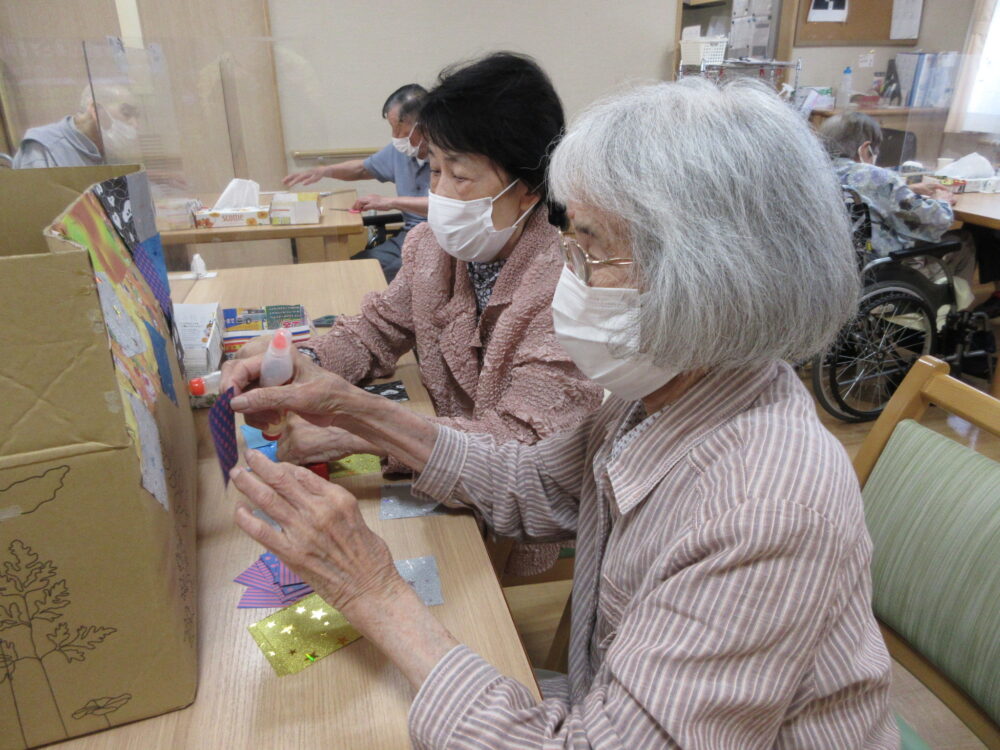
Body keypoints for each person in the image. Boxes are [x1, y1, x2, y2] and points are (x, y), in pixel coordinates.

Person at [224, 78, 898, 748]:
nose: (566, 276)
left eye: (590, 249)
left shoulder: (762, 506)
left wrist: (374, 591)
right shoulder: (667, 393)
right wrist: (349, 408)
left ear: (709, 277)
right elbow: (532, 483)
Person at [225, 53, 604, 576]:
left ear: (528, 191)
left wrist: (356, 429)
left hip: (511, 518)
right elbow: (373, 331)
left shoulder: (568, 284)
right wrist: (294, 364)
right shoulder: (432, 249)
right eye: (434, 170)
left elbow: (522, 455)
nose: (439, 194)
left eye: (461, 176)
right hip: (445, 477)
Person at [283, 84, 429, 282]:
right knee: (350, 270)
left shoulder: (450, 155)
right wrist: (325, 171)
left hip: (440, 243)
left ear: (423, 123)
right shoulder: (403, 151)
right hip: (409, 238)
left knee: (368, 279)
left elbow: (451, 207)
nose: (395, 136)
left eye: (399, 128)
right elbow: (363, 168)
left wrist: (391, 202)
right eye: (392, 128)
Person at [819, 111, 976, 288]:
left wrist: (908, 189)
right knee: (964, 241)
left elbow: (861, 192)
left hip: (829, 268)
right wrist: (943, 201)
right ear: (865, 148)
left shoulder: (815, 171)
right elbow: (935, 219)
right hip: (878, 269)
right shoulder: (874, 176)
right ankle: (949, 309)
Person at [13, 84, 140, 169]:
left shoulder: (109, 151)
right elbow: (39, 205)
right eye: (126, 113)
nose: (135, 124)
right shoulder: (43, 148)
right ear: (96, 110)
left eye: (136, 115)